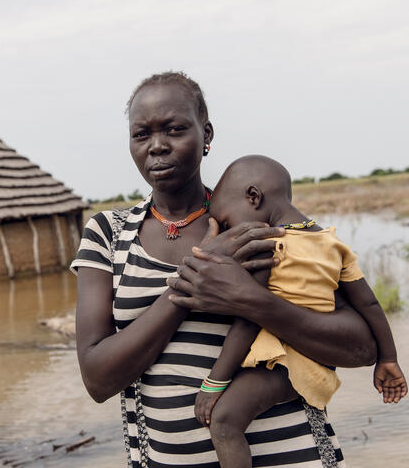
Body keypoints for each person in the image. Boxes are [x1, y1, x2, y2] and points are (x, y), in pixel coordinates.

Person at [72, 71, 377, 467]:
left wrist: (250, 299)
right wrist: (191, 283)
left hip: (295, 455)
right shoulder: (108, 234)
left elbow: (362, 347)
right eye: (141, 134)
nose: (157, 146)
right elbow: (97, 379)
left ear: (207, 135)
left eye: (175, 129)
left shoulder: (257, 222)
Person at [179, 154, 407, 468]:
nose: (228, 235)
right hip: (318, 364)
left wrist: (213, 383)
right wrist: (388, 359)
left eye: (228, 223)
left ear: (254, 197)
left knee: (224, 420)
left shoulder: (269, 248)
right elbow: (368, 304)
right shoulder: (331, 242)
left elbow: (247, 321)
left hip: (287, 364)